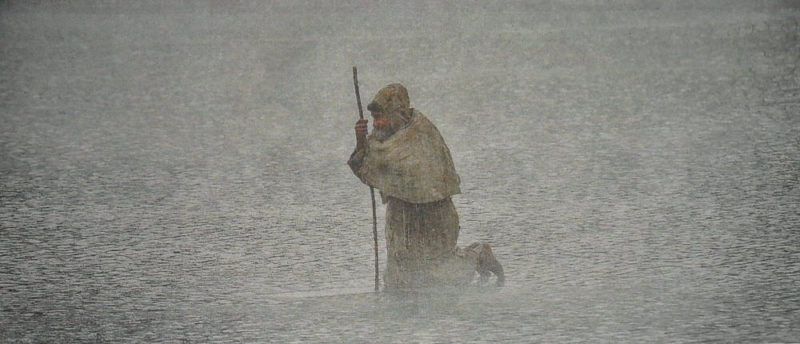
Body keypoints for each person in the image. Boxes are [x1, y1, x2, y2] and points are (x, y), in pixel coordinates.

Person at [348, 83, 504, 289]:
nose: (377, 124)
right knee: (399, 275)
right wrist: (360, 142)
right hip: (400, 212)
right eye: (374, 118)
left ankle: (477, 255)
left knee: (436, 273)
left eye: (380, 117)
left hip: (432, 213)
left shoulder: (420, 133)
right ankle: (398, 317)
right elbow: (369, 171)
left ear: (397, 113)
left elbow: (421, 176)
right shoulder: (379, 143)